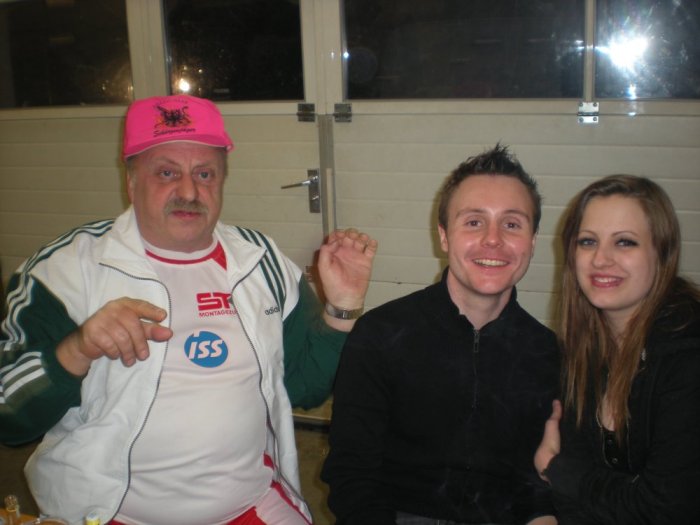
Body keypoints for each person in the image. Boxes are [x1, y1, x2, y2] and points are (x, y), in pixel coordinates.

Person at [0, 94, 377, 525]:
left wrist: (343, 307)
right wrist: (77, 349)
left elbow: (304, 387)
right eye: (166, 173)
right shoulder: (63, 271)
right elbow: (9, 417)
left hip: (249, 504)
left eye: (205, 174)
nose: (188, 191)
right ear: (131, 181)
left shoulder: (261, 261)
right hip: (109, 514)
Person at [321, 144, 560, 525]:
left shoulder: (545, 351)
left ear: (532, 242)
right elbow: (352, 473)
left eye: (512, 224)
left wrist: (542, 515)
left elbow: (534, 480)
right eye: (474, 222)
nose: (493, 239)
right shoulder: (381, 334)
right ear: (444, 237)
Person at [534, 175, 700, 524]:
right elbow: (575, 498)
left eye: (625, 242)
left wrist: (557, 469)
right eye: (588, 241)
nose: (601, 259)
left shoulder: (687, 354)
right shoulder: (584, 347)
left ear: (662, 253)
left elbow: (666, 509)